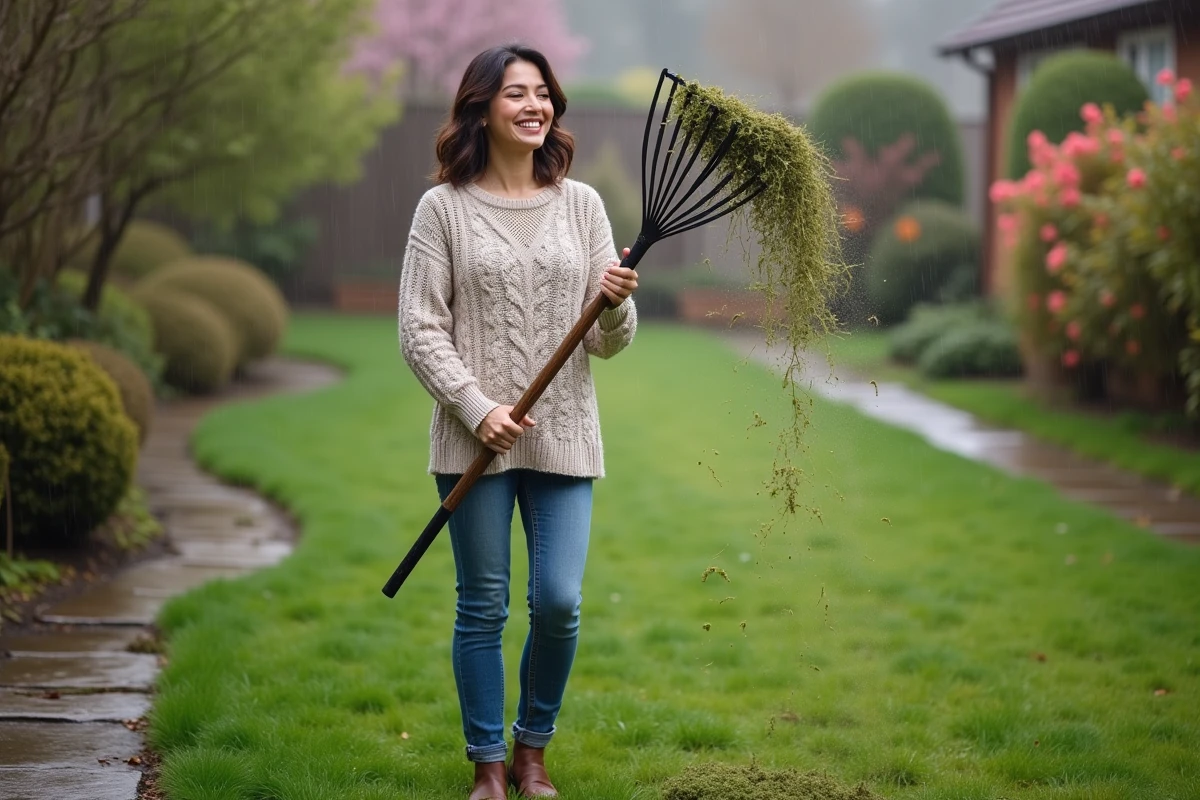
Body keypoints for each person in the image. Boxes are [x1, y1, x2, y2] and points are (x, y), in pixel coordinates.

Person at [397, 43, 639, 800]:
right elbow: (418, 326)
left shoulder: (584, 205)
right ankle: (489, 766)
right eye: (515, 94)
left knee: (559, 603)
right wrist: (478, 408)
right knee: (484, 605)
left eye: (543, 93)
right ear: (481, 108)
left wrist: (619, 299)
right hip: (474, 441)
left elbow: (609, 342)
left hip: (565, 434)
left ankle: (534, 749)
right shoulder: (443, 210)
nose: (535, 106)